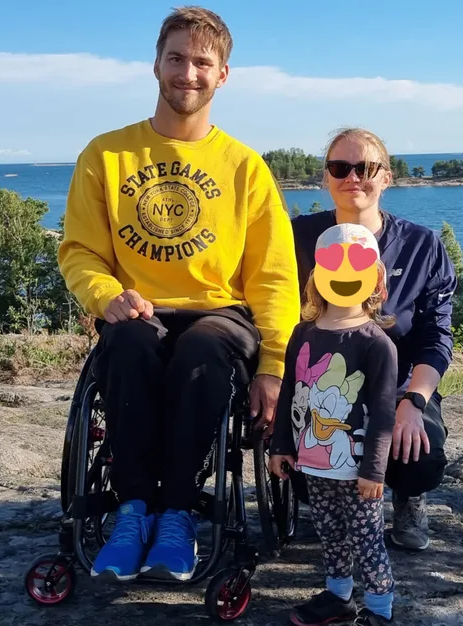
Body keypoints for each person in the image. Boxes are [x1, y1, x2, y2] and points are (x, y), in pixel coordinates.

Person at [57, 6, 300, 582]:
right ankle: (133, 511)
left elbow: (273, 276)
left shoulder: (245, 167)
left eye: (202, 62)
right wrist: (105, 295)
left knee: (202, 350)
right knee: (129, 343)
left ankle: (178, 513)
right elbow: (80, 251)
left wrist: (273, 366)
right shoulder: (106, 155)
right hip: (138, 309)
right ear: (156, 65)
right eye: (176, 58)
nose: (187, 73)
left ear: (222, 75)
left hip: (221, 314)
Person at [290, 127, 456, 552]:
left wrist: (414, 402)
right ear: (326, 177)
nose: (352, 178)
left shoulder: (421, 246)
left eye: (365, 168)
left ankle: (408, 496)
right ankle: (341, 503)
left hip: (397, 389)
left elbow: (436, 336)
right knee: (303, 477)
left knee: (419, 458)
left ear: (386, 177)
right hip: (321, 391)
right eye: (339, 168)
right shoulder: (296, 239)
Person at [269, 222, 399, 626]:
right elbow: (291, 391)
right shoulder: (302, 334)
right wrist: (281, 445)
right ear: (316, 276)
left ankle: (380, 612)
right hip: (314, 461)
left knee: (366, 538)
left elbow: (383, 413)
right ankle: (339, 596)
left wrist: (374, 469)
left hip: (357, 468)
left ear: (375, 279)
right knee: (329, 531)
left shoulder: (376, 343)